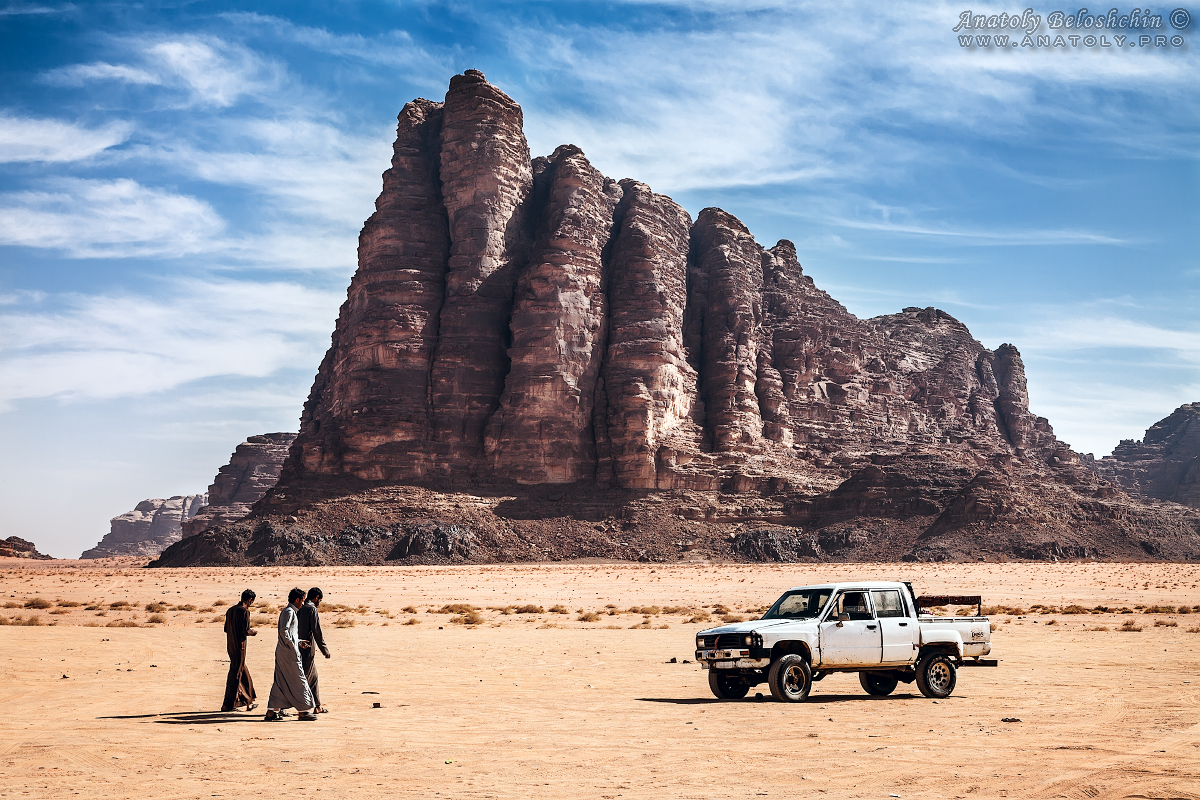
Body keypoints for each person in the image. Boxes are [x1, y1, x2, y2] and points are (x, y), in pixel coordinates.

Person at [264, 588, 317, 722]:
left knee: (280, 681)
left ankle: (271, 712)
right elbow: (284, 631)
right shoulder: (289, 612)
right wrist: (293, 647)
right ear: (297, 599)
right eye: (302, 600)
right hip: (289, 654)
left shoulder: (289, 611)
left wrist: (298, 642)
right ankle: (304, 711)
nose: (303, 604)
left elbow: (288, 634)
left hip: (283, 652)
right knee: (299, 680)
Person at [221, 589, 258, 712]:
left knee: (242, 671)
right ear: (249, 600)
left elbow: (226, 629)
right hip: (239, 646)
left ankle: (248, 700)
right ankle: (228, 704)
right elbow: (246, 631)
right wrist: (253, 632)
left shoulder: (230, 610)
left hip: (230, 645)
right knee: (236, 673)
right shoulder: (244, 611)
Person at [298, 587, 331, 713]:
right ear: (316, 597)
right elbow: (317, 631)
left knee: (314, 677)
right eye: (319, 600)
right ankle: (301, 708)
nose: (319, 603)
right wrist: (324, 649)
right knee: (304, 678)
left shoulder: (298, 607)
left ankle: (317, 706)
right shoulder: (311, 609)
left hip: (297, 646)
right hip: (307, 649)